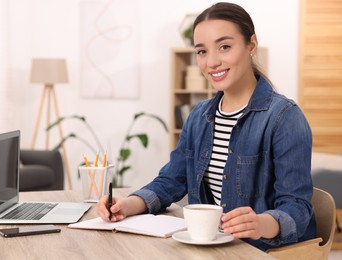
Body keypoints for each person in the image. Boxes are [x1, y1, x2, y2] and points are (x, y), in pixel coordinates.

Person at [97, 2, 316, 251]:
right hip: (211, 248)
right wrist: (128, 204)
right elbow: (171, 180)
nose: (211, 62)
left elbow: (298, 208)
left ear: (251, 45)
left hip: (264, 252)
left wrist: (262, 223)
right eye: (201, 51)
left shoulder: (284, 117)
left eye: (224, 47)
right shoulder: (199, 116)